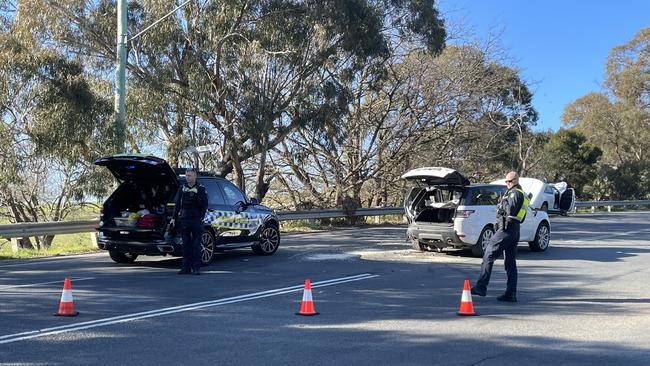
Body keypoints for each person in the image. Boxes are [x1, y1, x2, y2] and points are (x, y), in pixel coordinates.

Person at [471, 171, 529, 302]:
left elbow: (510, 210)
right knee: (510, 262)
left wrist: (503, 202)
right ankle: (511, 293)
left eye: (509, 181)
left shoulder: (515, 193)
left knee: (488, 255)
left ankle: (481, 287)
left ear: (515, 181)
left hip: (507, 229)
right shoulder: (521, 193)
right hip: (514, 229)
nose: (507, 184)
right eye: (506, 181)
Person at [170, 168, 208, 275]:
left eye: (190, 175)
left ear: (195, 176)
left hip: (196, 219)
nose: (188, 178)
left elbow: (205, 205)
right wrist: (173, 218)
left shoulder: (200, 188)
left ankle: (196, 268)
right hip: (184, 219)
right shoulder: (182, 188)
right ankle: (185, 267)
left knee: (196, 244)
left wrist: (201, 217)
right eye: (186, 176)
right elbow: (177, 204)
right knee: (185, 244)